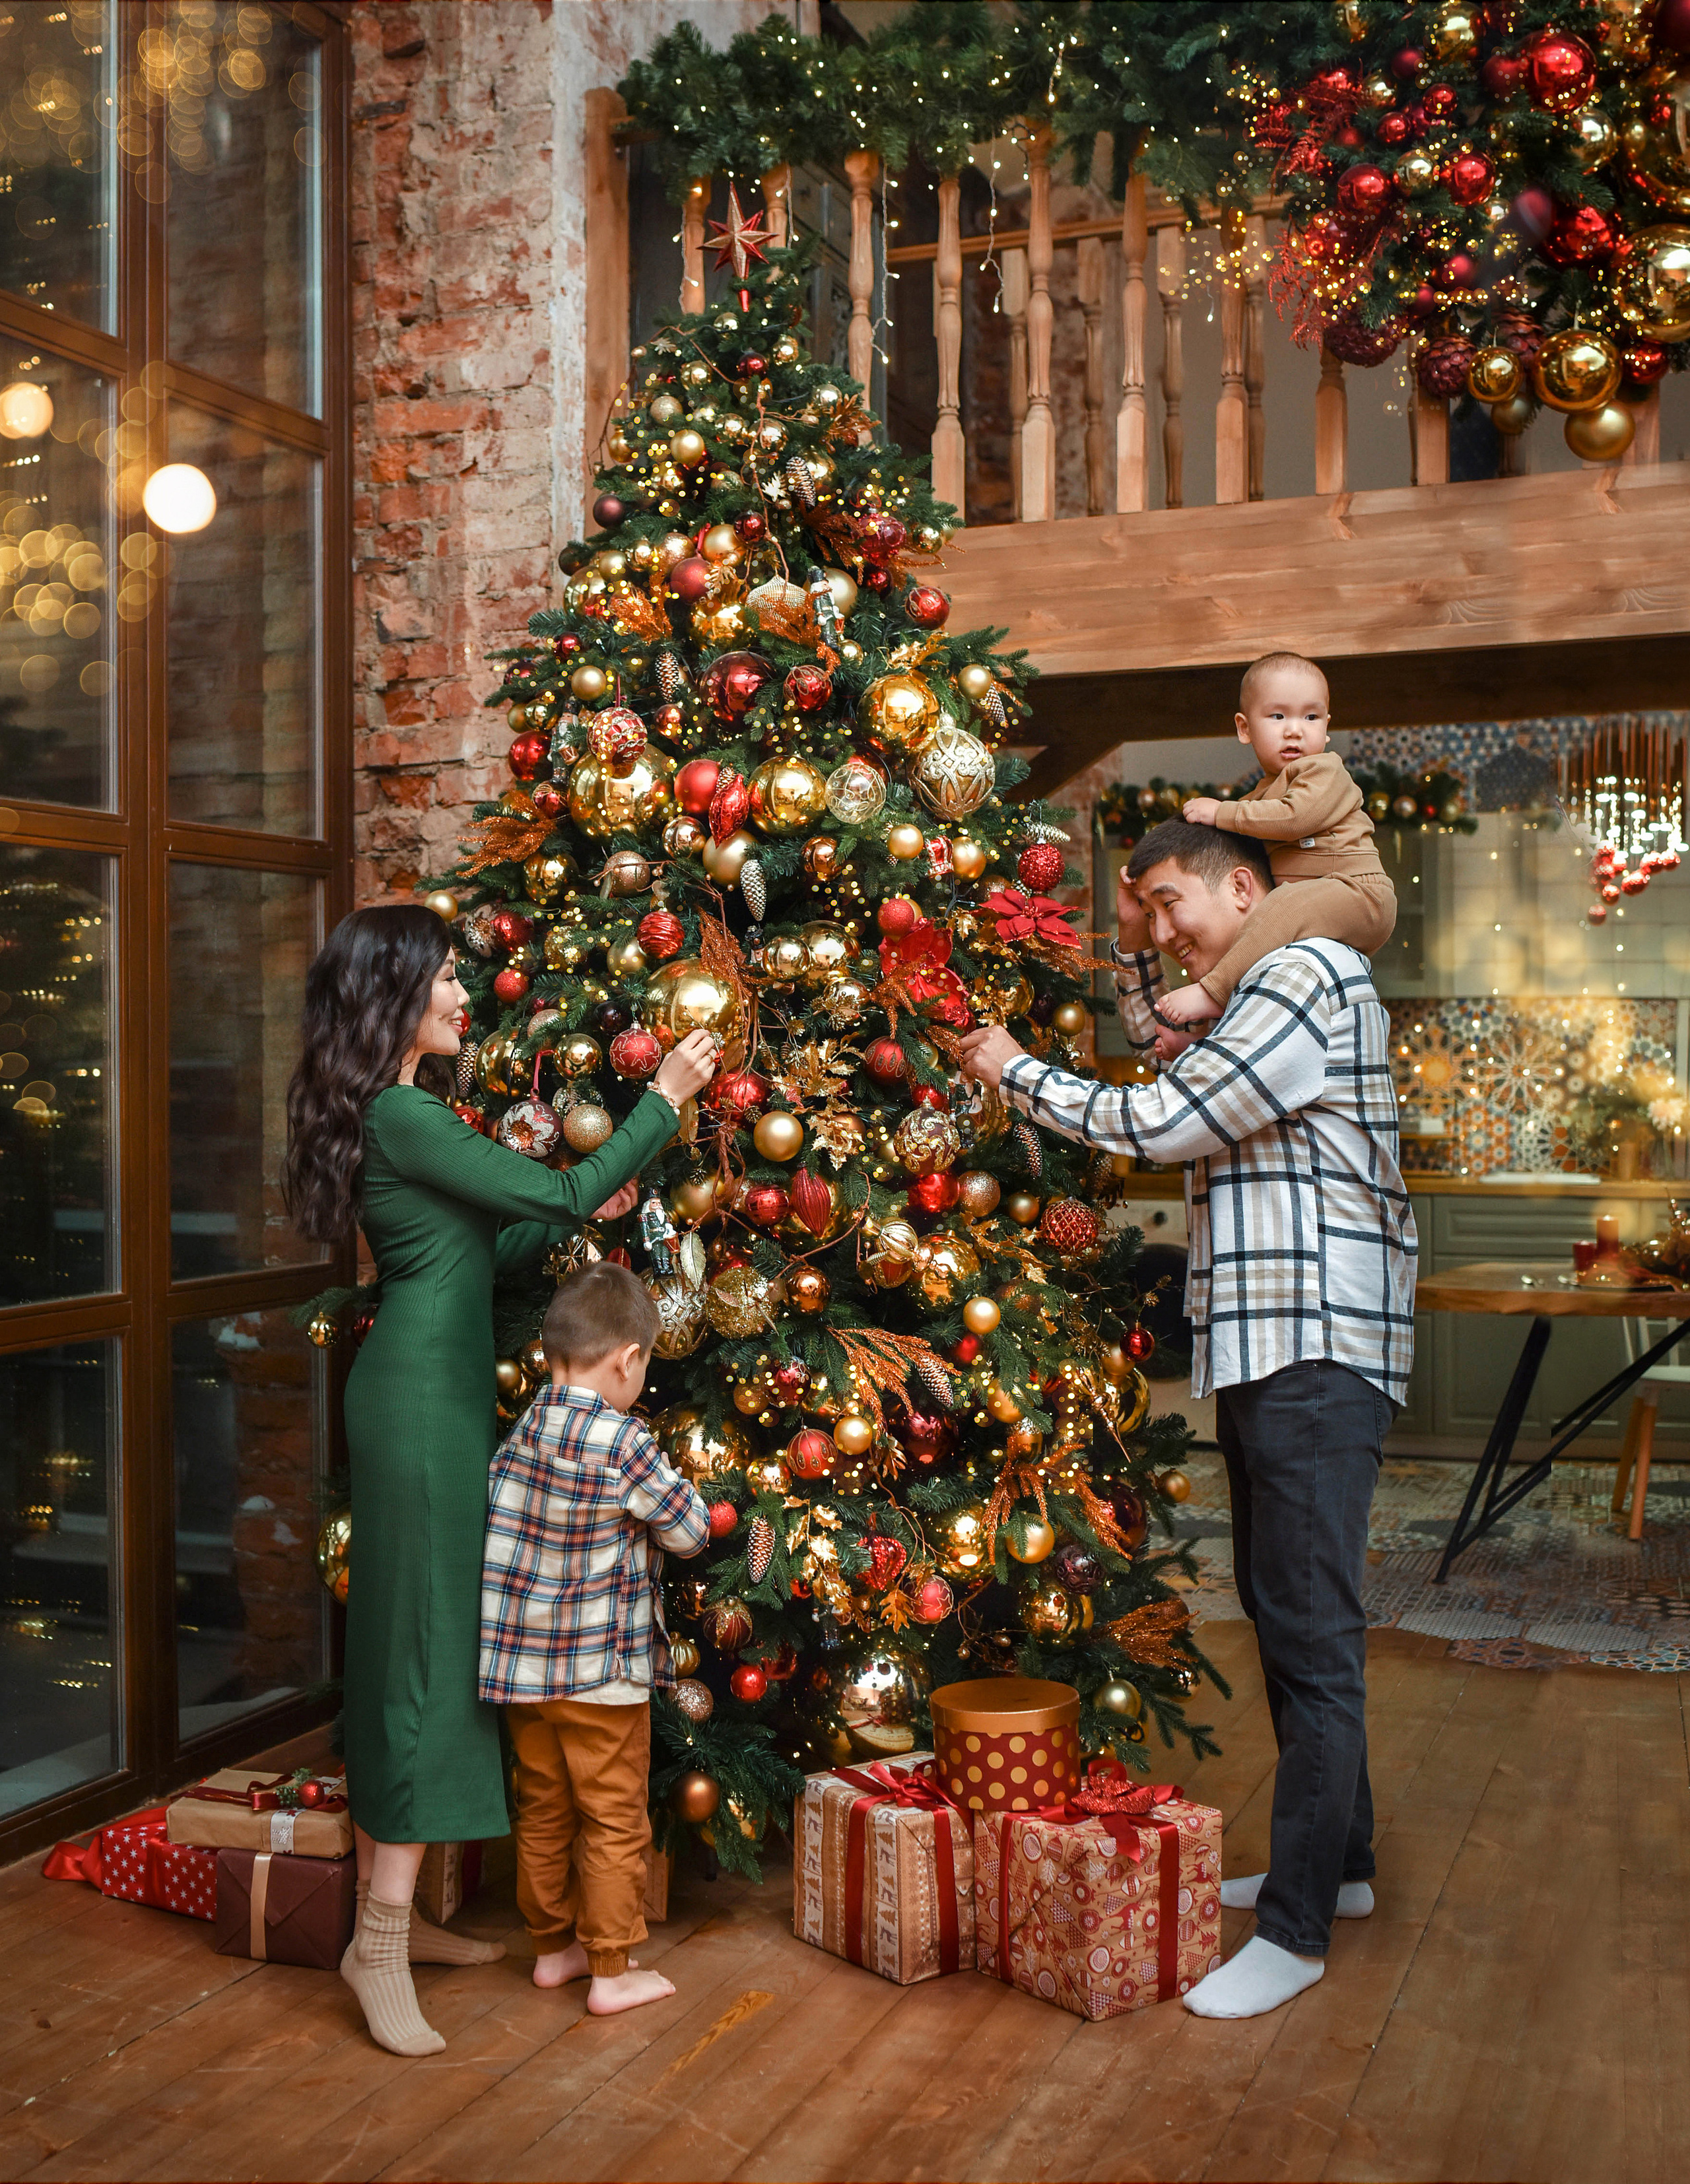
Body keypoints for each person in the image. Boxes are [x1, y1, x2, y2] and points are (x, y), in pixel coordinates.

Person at [959, 819, 1416, 2021]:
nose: (1164, 930)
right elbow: (1162, 1034)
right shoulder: (1241, 986)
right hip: (1278, 1347)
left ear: (1246, 886)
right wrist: (1127, 944)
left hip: (1317, 1344)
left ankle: (1297, 1930)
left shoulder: (1303, 972)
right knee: (1280, 1610)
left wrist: (1009, 1067)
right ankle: (1345, 1863)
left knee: (1313, 1637)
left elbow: (1163, 1117)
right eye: (1146, 912)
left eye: (1173, 902)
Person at [281, 904, 718, 2057]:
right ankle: (377, 1938)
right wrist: (660, 1100)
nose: (465, 993)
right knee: (424, 1656)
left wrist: (594, 1198)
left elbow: (485, 1247)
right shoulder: (406, 1110)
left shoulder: (406, 1116)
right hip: (420, 1409)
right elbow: (560, 1197)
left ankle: (399, 1915)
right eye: (446, 978)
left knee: (411, 1651)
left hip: (430, 1397)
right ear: (396, 996)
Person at [479, 1260, 708, 2018]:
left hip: (522, 1674)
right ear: (628, 1360)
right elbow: (686, 1532)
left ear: (550, 1355)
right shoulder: (624, 1441)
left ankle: (553, 1950)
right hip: (601, 1675)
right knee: (612, 1817)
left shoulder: (521, 1432)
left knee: (541, 1806)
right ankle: (611, 1968)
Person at [1153, 651, 1396, 1032]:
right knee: (1259, 938)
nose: (1295, 730)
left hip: (1358, 893)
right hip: (1321, 897)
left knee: (1283, 905)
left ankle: (1212, 994)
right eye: (1278, 716)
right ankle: (1203, 1037)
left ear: (1327, 727)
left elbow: (1293, 817)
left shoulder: (1324, 770)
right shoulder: (1263, 794)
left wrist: (1222, 813)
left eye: (1311, 717)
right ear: (1244, 727)